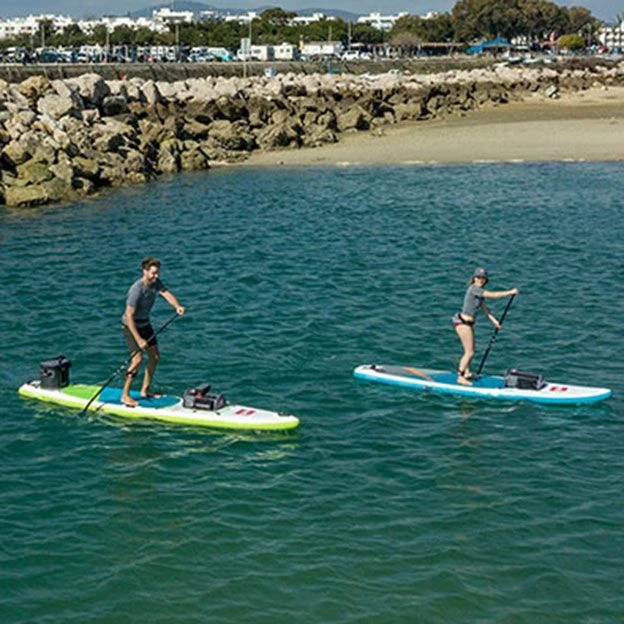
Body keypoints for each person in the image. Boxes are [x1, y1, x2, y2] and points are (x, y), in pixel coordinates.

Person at [121, 257, 185, 407]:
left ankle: (145, 390)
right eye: (153, 273)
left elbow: (166, 293)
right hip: (130, 326)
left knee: (154, 357)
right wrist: (139, 340)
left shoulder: (155, 283)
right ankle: (125, 395)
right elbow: (129, 315)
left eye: (157, 273)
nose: (156, 276)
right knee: (137, 360)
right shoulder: (136, 290)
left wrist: (177, 306)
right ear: (144, 271)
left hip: (145, 324)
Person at [453, 267, 519, 386]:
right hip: (463, 323)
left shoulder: (479, 293)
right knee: (469, 352)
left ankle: (466, 373)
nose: (480, 280)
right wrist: (510, 292)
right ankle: (460, 377)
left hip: (468, 324)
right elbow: (493, 295)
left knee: (469, 350)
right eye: (478, 277)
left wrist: (495, 322)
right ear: (474, 278)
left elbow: (485, 309)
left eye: (483, 278)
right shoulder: (474, 289)